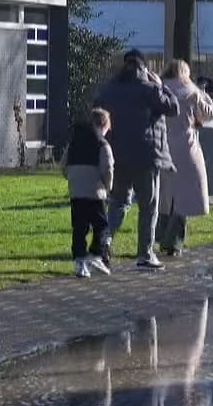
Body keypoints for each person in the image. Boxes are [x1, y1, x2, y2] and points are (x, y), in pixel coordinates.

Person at [96, 50, 180, 270]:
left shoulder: (109, 89)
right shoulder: (150, 89)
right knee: (148, 206)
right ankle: (145, 254)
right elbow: (173, 108)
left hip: (119, 155)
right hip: (147, 157)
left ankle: (104, 239)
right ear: (143, 67)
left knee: (119, 202)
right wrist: (162, 85)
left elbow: (97, 108)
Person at [156, 60, 213, 257]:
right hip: (186, 147)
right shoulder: (191, 91)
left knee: (164, 196)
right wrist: (205, 95)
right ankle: (174, 241)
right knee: (185, 196)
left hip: (161, 145)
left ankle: (159, 234)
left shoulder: (159, 87)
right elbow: (208, 115)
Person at [64, 107, 115, 278]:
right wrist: (108, 187)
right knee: (102, 226)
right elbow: (107, 169)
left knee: (79, 227)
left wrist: (71, 178)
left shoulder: (74, 141)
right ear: (103, 125)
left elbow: (63, 166)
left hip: (76, 191)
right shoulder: (102, 144)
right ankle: (95, 254)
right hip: (95, 192)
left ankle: (79, 261)